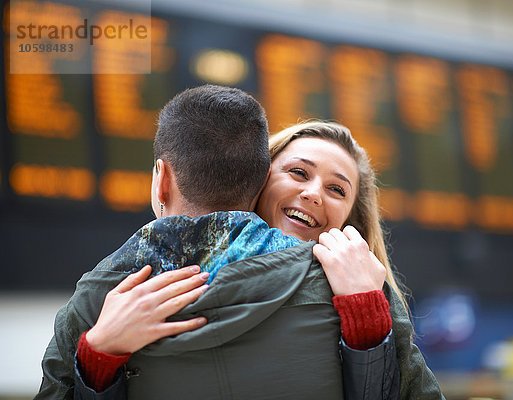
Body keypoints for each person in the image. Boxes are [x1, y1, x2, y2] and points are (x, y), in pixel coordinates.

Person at [36, 87, 443, 399]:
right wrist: (99, 354)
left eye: (337, 190)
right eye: (299, 173)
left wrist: (366, 317)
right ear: (256, 179)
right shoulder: (109, 295)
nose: (314, 193)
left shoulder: (363, 291)